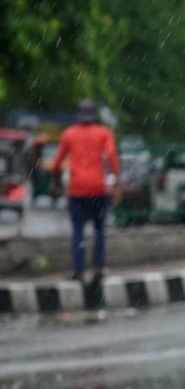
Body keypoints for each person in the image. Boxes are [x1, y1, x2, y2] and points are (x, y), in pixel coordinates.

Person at [52, 100, 121, 282]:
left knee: (78, 231)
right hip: (99, 189)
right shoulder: (104, 133)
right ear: (94, 115)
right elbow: (112, 158)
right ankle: (99, 268)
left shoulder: (69, 134)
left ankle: (79, 271)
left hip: (77, 190)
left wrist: (56, 183)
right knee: (99, 229)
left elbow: (57, 163)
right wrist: (117, 183)